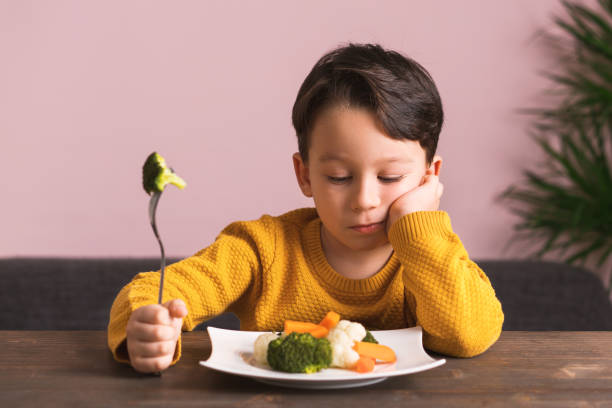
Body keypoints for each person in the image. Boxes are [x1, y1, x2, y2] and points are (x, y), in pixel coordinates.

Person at [108, 43, 504, 373]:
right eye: (338, 177)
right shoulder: (261, 250)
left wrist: (419, 226)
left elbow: (469, 334)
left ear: (427, 178)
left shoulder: (429, 256)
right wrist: (148, 325)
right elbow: (149, 290)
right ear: (305, 175)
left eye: (389, 178)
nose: (365, 200)